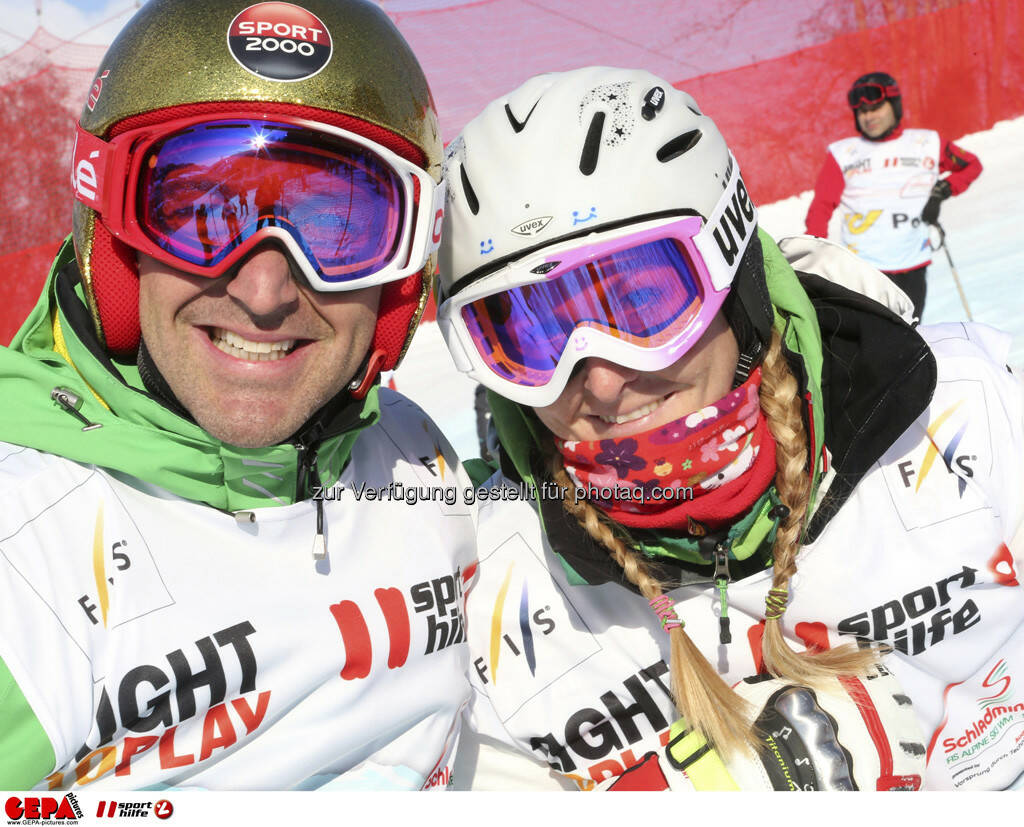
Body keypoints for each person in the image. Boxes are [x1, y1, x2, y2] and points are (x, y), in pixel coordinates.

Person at [437, 67, 1024, 790]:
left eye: (644, 300)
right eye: (528, 335)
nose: (602, 381)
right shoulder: (496, 590)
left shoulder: (972, 415)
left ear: (736, 276)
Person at [0, 0, 475, 791]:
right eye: (199, 214)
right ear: (112, 235)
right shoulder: (29, 557)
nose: (264, 290)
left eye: (337, 222)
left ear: (402, 273)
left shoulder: (413, 455)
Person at [804, 72, 982, 320]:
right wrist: (814, 252)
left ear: (894, 105)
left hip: (913, 263)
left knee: (910, 335)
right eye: (863, 111)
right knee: (874, 340)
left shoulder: (926, 143)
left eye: (876, 107)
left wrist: (941, 192)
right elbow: (821, 207)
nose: (869, 117)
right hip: (865, 269)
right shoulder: (844, 153)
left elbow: (971, 165)